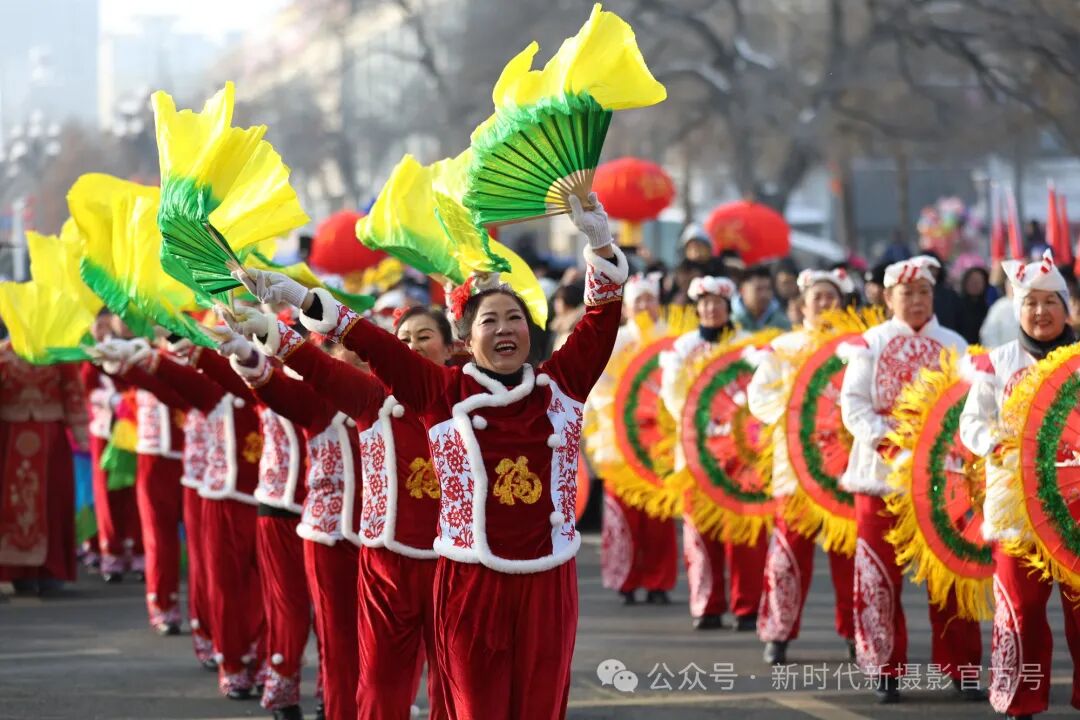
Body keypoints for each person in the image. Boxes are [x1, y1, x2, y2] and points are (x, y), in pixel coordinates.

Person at [236, 192, 628, 720]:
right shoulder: (441, 393)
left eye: (514, 318)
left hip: (548, 580)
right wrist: (299, 303)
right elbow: (372, 346)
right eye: (490, 321)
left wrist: (599, 242)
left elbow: (600, 324)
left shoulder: (562, 386)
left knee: (540, 706)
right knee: (473, 709)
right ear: (468, 338)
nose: (505, 329)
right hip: (469, 581)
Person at [230, 304, 454, 720]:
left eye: (424, 337)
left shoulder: (460, 398)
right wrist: (248, 349)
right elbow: (281, 386)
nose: (411, 348)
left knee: (446, 666)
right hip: (343, 540)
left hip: (445, 553)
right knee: (345, 648)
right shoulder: (352, 399)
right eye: (403, 340)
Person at [838, 255, 983, 704]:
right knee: (878, 573)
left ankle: (962, 667)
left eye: (924, 292)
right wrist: (893, 446)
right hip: (879, 478)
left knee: (951, 572)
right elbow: (853, 406)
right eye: (907, 293)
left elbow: (969, 408)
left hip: (941, 479)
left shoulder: (955, 345)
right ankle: (884, 667)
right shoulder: (869, 343)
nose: (917, 300)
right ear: (888, 297)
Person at [959, 249, 1080, 720]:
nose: (1041, 312)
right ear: (1017, 309)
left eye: (1051, 302)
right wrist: (996, 442)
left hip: (1075, 508)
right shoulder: (997, 363)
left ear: (1066, 308)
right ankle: (1020, 702)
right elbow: (972, 423)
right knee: (1020, 610)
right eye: (1030, 303)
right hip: (1015, 509)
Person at [747, 269, 856, 665]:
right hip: (795, 466)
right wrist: (799, 412)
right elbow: (759, 397)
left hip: (845, 467)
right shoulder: (784, 347)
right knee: (788, 554)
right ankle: (778, 632)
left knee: (848, 557)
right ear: (803, 305)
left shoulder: (855, 346)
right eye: (817, 297)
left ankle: (855, 633)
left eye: (831, 296)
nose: (824, 304)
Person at [660, 275, 767, 631]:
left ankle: (747, 605)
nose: (710, 309)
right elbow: (674, 396)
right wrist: (706, 418)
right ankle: (707, 605)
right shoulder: (682, 349)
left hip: (742, 453)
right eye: (704, 303)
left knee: (745, 530)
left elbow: (759, 392)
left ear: (728, 306)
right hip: (697, 450)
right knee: (700, 530)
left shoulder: (748, 346)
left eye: (717, 303)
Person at [590, 273, 678, 607]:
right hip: (621, 439)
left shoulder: (671, 340)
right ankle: (624, 578)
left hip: (660, 440)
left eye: (649, 299)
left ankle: (659, 581)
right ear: (626, 307)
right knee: (623, 513)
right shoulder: (615, 340)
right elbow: (599, 385)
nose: (644, 306)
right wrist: (624, 410)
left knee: (659, 516)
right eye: (638, 300)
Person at [0, 342, 89, 594]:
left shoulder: (58, 354)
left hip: (51, 439)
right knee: (12, 503)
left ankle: (51, 568)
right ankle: (17, 571)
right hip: (9, 435)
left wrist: (81, 433)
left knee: (52, 501)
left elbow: (73, 390)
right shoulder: (3, 356)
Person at [731, 265, 791, 331]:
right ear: (742, 291)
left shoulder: (782, 322)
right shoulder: (731, 323)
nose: (764, 294)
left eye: (768, 288)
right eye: (758, 289)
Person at [955, 265, 992, 345]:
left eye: (979, 281)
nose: (975, 284)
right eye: (972, 280)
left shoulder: (989, 309)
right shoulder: (955, 306)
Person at [548, 281, 585, 355]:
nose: (555, 304)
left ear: (568, 301)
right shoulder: (561, 325)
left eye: (559, 300)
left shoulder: (574, 325)